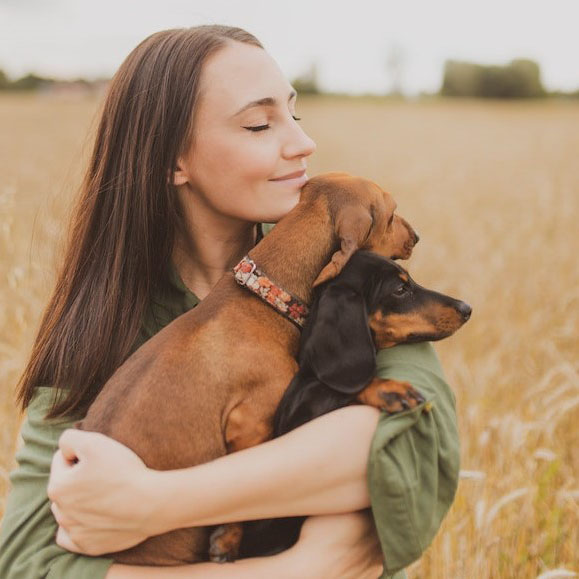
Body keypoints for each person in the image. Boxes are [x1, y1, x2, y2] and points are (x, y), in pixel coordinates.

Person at [0, 25, 460, 579]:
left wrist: (149, 500)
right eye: (259, 123)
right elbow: (26, 563)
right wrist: (311, 566)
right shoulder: (102, 325)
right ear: (173, 162)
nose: (302, 142)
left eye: (296, 114)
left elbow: (408, 436)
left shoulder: (344, 271)